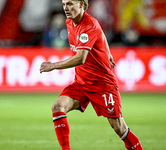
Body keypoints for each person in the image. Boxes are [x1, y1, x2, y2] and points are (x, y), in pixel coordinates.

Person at [40, 0, 143, 150]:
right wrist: (108, 53)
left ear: (81, 4)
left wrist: (53, 65)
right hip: (82, 83)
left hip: (102, 85)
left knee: (119, 127)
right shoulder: (70, 22)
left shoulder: (88, 25)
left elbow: (80, 58)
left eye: (69, 4)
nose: (65, 8)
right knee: (58, 106)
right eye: (63, 4)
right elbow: (101, 32)